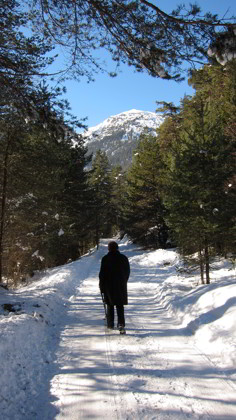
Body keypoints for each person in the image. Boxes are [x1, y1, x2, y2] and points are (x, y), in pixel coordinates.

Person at [99, 241, 130, 331]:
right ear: (117, 248)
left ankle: (110, 324)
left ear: (109, 248)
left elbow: (102, 274)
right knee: (120, 305)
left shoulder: (105, 258)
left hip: (109, 285)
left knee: (110, 304)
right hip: (120, 284)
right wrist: (124, 281)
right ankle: (121, 324)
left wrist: (101, 286)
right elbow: (127, 271)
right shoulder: (123, 258)